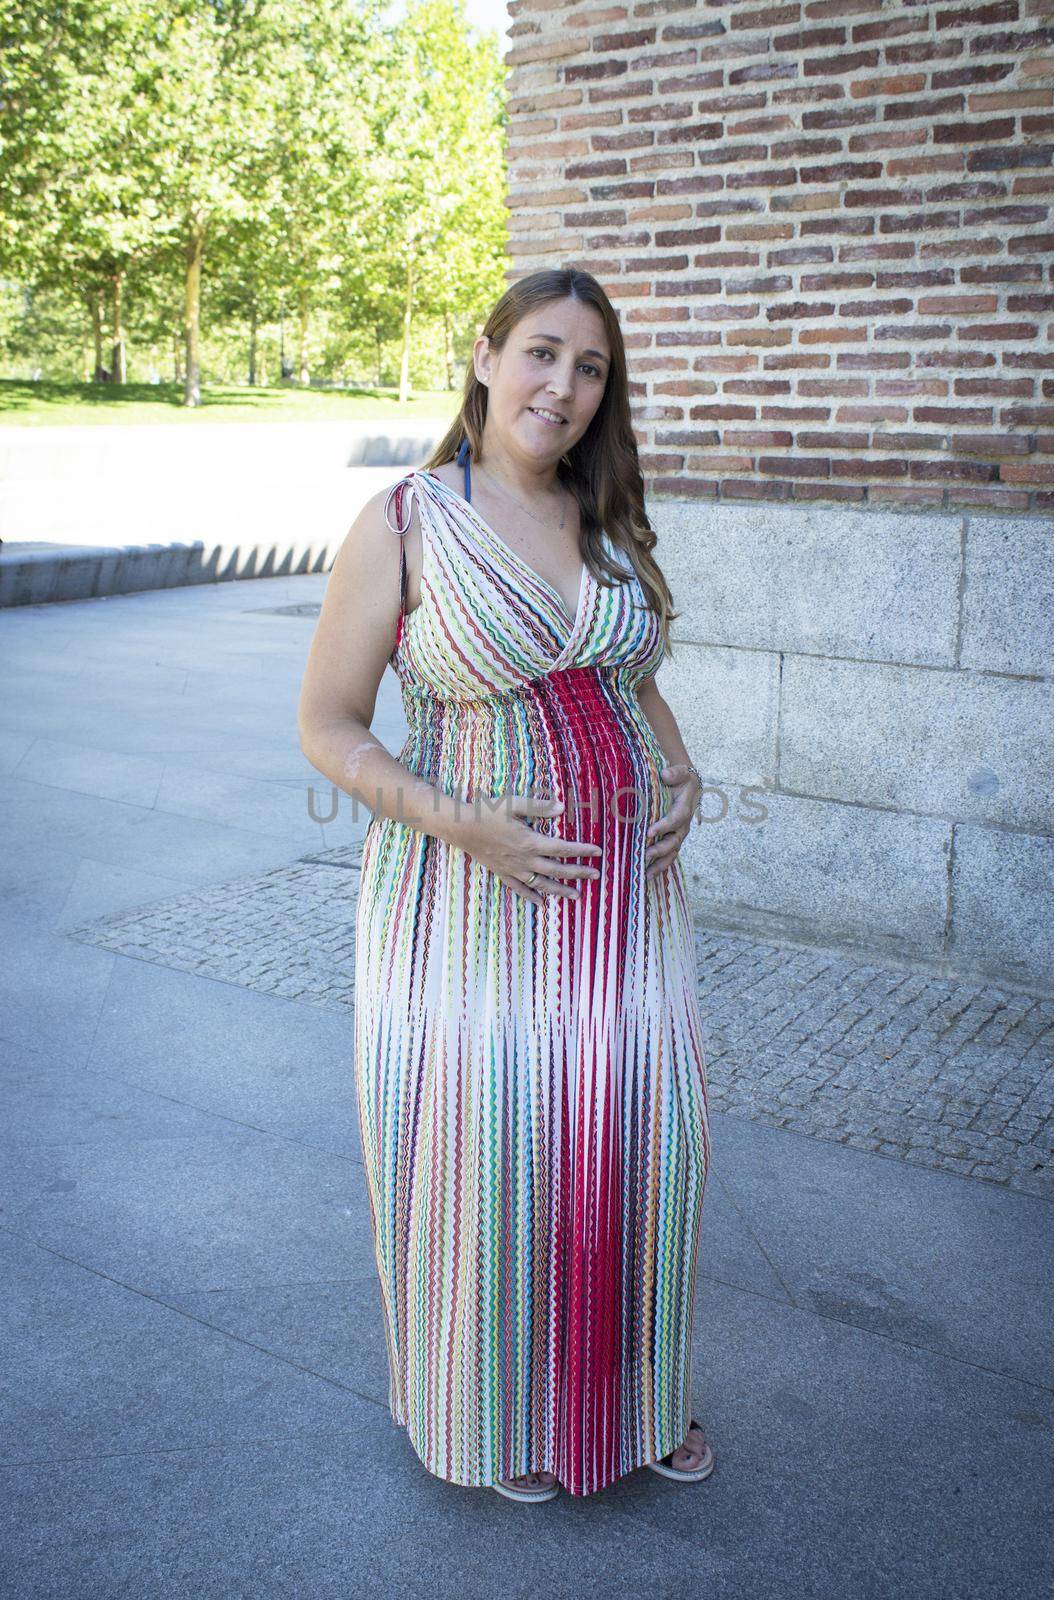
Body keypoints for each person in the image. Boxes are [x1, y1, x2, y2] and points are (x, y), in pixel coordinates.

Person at [297, 267, 714, 1501]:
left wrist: (681, 767)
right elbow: (328, 726)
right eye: (541, 353)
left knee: (642, 1143)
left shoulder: (603, 517)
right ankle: (489, 1411)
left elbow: (626, 672)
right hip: (469, 895)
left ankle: (632, 1405)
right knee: (500, 1152)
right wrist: (463, 825)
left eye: (589, 369)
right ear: (483, 357)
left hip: (626, 902)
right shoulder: (405, 521)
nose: (564, 388)